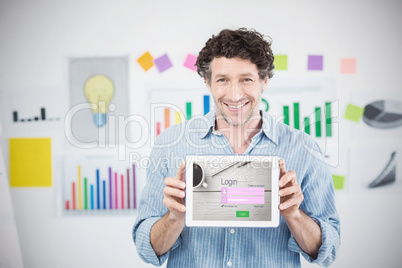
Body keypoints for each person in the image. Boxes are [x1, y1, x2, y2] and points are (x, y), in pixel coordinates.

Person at [133, 28, 340, 267]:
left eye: (246, 79)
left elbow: (328, 250)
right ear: (207, 82)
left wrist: (294, 215)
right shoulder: (170, 144)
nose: (234, 94)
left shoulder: (304, 149)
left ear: (264, 80)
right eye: (222, 80)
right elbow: (146, 248)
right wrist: (174, 218)